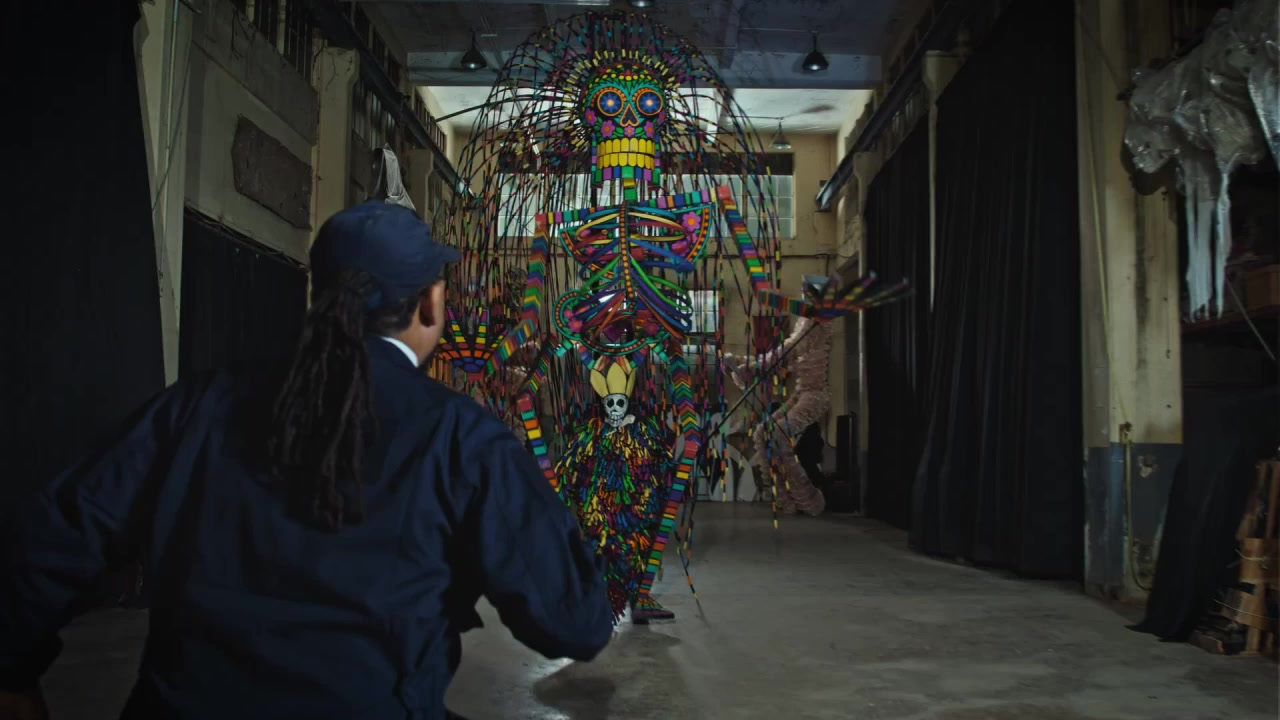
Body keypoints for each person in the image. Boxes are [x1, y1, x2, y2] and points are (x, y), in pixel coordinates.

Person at [0, 201, 613, 719]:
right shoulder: (464, 439)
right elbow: (573, 624)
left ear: (319, 294)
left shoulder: (196, 407)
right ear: (431, 304)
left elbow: (51, 534)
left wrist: (12, 675)